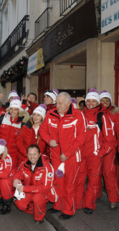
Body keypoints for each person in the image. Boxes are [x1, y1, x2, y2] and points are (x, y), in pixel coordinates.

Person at [39, 92, 86, 220]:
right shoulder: (51, 114)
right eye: (56, 103)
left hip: (71, 157)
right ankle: (58, 205)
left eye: (60, 103)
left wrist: (68, 153)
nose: (57, 106)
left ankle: (69, 209)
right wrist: (49, 140)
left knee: (70, 184)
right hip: (56, 157)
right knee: (58, 182)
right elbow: (42, 130)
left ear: (68, 104)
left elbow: (81, 138)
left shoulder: (78, 115)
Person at [77, 89, 116, 214]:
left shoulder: (103, 117)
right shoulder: (80, 115)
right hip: (80, 155)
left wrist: (100, 153)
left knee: (93, 181)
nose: (90, 103)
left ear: (98, 102)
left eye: (94, 101)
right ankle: (78, 203)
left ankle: (89, 204)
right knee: (79, 180)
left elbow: (111, 140)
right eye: (88, 101)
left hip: (94, 156)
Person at [13, 145, 57, 224]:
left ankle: (39, 217)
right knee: (19, 204)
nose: (32, 157)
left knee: (37, 198)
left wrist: (24, 189)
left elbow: (46, 188)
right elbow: (18, 173)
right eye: (30, 154)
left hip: (43, 192)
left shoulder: (47, 167)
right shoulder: (25, 163)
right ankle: (35, 209)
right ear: (27, 154)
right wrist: (15, 179)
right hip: (29, 190)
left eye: (34, 154)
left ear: (39, 154)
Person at [99, 90, 119, 209]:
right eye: (103, 99)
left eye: (107, 99)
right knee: (94, 173)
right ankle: (95, 195)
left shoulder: (114, 113)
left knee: (108, 172)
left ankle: (113, 198)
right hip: (96, 147)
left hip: (110, 148)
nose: (105, 102)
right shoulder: (95, 112)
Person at [0, 96, 29, 169]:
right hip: (0, 152)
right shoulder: (2, 118)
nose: (13, 111)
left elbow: (23, 142)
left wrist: (26, 154)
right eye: (11, 109)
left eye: (16, 109)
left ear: (19, 110)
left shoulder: (22, 123)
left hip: (13, 155)